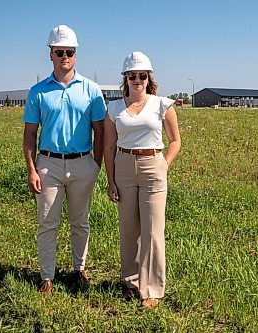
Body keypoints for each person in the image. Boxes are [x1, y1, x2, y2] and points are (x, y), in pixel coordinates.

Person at [22, 24, 106, 294]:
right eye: (59, 52)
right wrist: (32, 169)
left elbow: (101, 131)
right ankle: (47, 276)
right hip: (48, 164)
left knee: (80, 221)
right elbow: (30, 134)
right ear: (50, 54)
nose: (64, 57)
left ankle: (79, 271)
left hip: (84, 163)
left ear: (76, 54)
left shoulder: (92, 90)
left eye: (69, 51)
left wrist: (97, 164)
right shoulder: (37, 92)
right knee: (48, 223)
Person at [103, 51, 181, 308]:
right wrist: (111, 180)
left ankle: (153, 290)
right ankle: (131, 283)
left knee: (153, 231)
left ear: (149, 77)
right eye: (132, 75)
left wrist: (163, 165)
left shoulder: (162, 104)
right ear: (125, 78)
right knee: (128, 230)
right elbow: (109, 146)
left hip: (152, 167)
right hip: (123, 166)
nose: (137, 80)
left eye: (142, 75)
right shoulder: (114, 107)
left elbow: (175, 141)